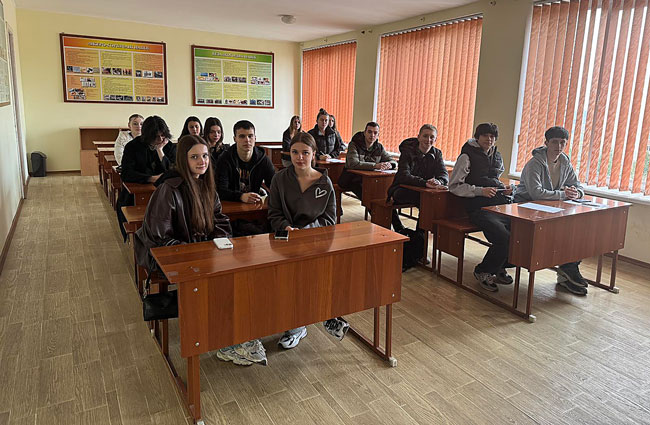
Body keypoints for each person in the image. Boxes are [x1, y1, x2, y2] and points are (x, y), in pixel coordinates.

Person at [133, 136, 264, 366]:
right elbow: (159, 237)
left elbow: (219, 219)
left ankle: (237, 333)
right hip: (169, 255)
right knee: (217, 284)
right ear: (183, 160)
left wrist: (218, 244)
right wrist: (197, 253)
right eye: (194, 157)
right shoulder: (169, 189)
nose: (202, 161)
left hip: (200, 251)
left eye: (205, 156)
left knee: (238, 274)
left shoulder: (205, 185)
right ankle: (225, 342)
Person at [268, 131, 347, 349]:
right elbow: (274, 213)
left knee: (317, 277)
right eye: (295, 152)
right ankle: (297, 324)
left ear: (313, 154)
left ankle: (324, 314)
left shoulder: (324, 182)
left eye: (305, 152)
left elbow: (329, 219)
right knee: (289, 279)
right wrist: (287, 227)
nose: (299, 157)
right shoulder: (279, 179)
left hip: (315, 240)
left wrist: (305, 232)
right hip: (285, 239)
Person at [515, 126, 588, 295]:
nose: (559, 146)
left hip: (550, 207)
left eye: (563, 143)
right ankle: (567, 270)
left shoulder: (565, 162)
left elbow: (577, 185)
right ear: (546, 143)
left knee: (577, 229)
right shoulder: (535, 163)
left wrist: (577, 193)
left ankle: (568, 270)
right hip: (527, 206)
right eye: (555, 142)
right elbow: (536, 193)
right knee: (555, 236)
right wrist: (563, 194)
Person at [449, 122, 514, 292]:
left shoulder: (496, 155)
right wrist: (480, 191)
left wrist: (504, 189)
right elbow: (454, 186)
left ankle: (499, 266)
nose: (489, 139)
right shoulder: (466, 156)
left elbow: (494, 179)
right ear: (477, 137)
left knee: (521, 233)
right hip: (478, 208)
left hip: (498, 205)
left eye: (492, 136)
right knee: (503, 237)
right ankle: (483, 270)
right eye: (485, 135)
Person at [117, 116, 177, 240]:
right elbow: (126, 173)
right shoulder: (132, 147)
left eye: (162, 135)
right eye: (156, 136)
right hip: (136, 191)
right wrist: (150, 178)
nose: (160, 139)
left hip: (165, 192)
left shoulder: (169, 146)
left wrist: (160, 151)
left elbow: (173, 171)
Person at [215, 120, 275, 236]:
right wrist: (241, 196)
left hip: (254, 207)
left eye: (250, 136)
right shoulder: (225, 159)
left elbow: (274, 184)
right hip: (230, 208)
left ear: (255, 138)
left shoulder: (263, 159)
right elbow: (220, 190)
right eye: (242, 136)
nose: (247, 140)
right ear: (235, 139)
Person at [387, 124, 449, 231]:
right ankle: (415, 234)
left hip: (423, 191)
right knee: (426, 202)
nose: (428, 140)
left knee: (433, 201)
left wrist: (438, 181)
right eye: (425, 136)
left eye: (432, 137)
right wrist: (425, 183)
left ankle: (419, 234)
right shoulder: (407, 152)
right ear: (418, 137)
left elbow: (443, 174)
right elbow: (403, 176)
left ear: (435, 140)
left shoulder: (437, 153)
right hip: (401, 189)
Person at [338, 121, 396, 199]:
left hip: (368, 179)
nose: (372, 135)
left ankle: (380, 206)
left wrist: (390, 165)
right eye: (369, 132)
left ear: (378, 135)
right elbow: (353, 163)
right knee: (368, 194)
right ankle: (372, 206)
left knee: (382, 188)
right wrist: (375, 166)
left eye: (375, 133)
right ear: (364, 133)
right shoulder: (354, 144)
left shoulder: (379, 147)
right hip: (351, 178)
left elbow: (392, 160)